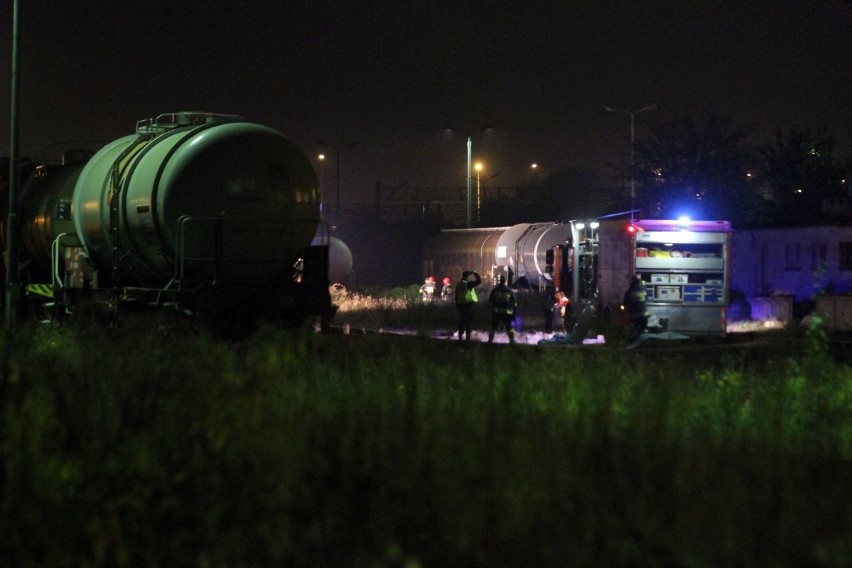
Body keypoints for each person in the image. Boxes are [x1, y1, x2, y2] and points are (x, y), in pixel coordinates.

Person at [488, 274, 517, 343]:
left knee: (493, 326)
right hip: (505, 312)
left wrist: (491, 310)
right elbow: (514, 301)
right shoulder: (508, 290)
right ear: (505, 281)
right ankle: (512, 340)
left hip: (496, 312)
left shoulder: (495, 290)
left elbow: (490, 300)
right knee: (509, 327)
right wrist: (514, 311)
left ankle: (490, 340)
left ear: (499, 281)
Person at [454, 270, 481, 341]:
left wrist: (457, 305)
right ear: (467, 277)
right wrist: (475, 273)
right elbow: (479, 281)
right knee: (468, 322)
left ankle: (460, 338)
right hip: (468, 305)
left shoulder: (459, 284)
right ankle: (467, 339)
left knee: (462, 322)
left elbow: (456, 296)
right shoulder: (468, 284)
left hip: (460, 305)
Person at [623, 274, 649, 339]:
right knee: (642, 329)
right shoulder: (642, 288)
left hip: (635, 315)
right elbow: (646, 299)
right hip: (642, 314)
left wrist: (625, 309)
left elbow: (625, 303)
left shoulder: (629, 291)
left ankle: (632, 340)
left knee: (635, 329)